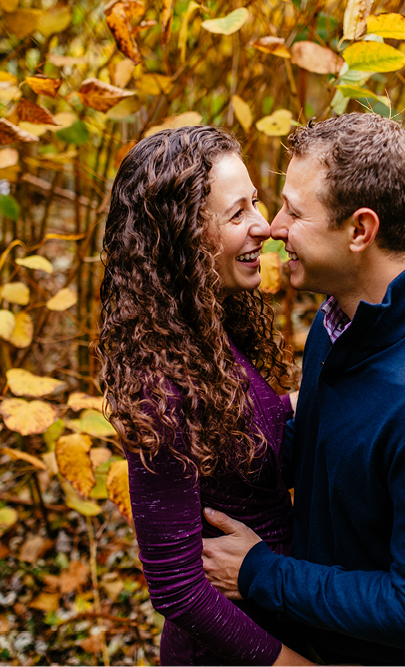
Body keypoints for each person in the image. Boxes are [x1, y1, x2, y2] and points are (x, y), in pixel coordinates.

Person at [201, 113, 405, 665]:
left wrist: (260, 573)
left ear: (360, 231)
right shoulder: (339, 324)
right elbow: (325, 459)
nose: (273, 227)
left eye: (295, 212)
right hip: (314, 637)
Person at [98, 126, 312, 666]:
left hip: (279, 611)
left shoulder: (210, 336)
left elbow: (256, 435)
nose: (264, 226)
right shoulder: (159, 387)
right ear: (183, 237)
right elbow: (175, 586)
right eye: (237, 214)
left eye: (255, 203)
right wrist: (291, 665)